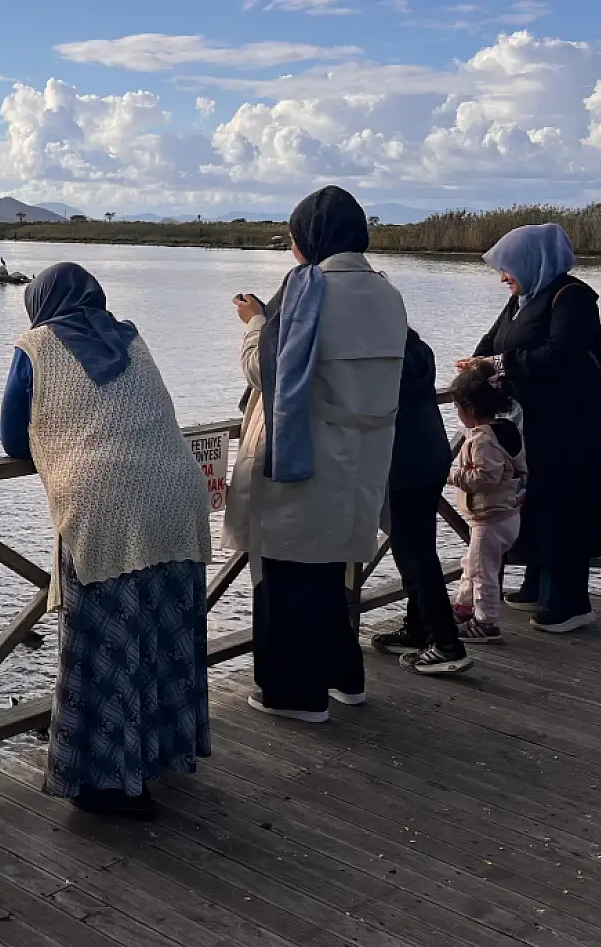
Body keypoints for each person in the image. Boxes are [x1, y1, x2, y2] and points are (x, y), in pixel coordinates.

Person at [0, 261, 213, 820]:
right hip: (175, 496)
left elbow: (10, 436)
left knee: (104, 644)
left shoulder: (36, 346)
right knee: (162, 635)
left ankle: (108, 785)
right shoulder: (133, 338)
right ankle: (159, 755)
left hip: (105, 509)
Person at [224, 185, 407, 723]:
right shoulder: (386, 291)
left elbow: (268, 369)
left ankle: (293, 696)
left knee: (284, 578)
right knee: (330, 573)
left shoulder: (309, 289)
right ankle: (343, 677)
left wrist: (255, 323)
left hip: (309, 454)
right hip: (367, 455)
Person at [464, 223, 601, 633]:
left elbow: (561, 353)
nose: (503, 277)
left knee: (565, 506)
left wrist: (500, 365)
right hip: (530, 426)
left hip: (569, 428)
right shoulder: (522, 300)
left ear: (533, 261)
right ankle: (535, 585)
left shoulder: (573, 298)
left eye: (509, 267)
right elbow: (492, 342)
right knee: (534, 502)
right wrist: (476, 365)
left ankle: (571, 602)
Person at [369, 328, 468, 672]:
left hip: (402, 461)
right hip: (431, 452)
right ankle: (419, 629)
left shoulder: (380, 357)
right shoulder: (417, 350)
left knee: (413, 554)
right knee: (421, 547)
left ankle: (445, 643)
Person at [443, 363, 527, 654]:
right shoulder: (507, 429)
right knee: (473, 564)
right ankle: (462, 609)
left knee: (484, 573)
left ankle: (486, 622)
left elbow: (484, 478)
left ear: (468, 408)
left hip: (489, 517)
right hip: (506, 515)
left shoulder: (482, 439)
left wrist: (451, 474)